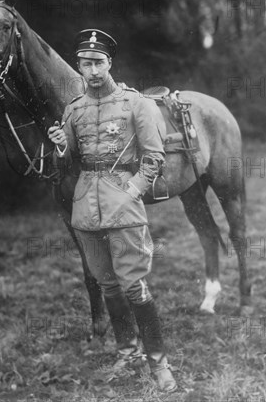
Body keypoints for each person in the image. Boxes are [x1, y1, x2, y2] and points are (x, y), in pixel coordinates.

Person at [47, 29, 177, 392]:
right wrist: (61, 148)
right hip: (86, 207)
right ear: (79, 66)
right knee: (107, 284)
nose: (92, 70)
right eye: (85, 64)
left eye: (98, 62)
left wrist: (134, 189)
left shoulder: (136, 105)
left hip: (124, 204)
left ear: (110, 64)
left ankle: (158, 362)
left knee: (133, 284)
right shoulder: (73, 110)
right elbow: (68, 164)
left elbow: (154, 156)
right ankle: (127, 351)